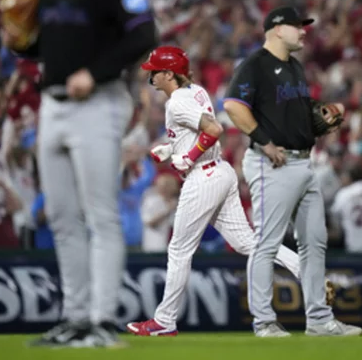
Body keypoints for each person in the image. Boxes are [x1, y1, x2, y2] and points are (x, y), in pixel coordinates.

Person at [1, 0, 158, 348]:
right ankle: (74, 318)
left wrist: (97, 71)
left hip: (99, 104)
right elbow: (40, 47)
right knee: (63, 218)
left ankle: (103, 321)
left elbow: (143, 34)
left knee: (101, 215)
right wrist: (18, 40)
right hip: (53, 105)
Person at [126, 46, 301, 337]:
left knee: (179, 250)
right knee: (247, 242)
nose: (151, 76)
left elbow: (215, 129)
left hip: (202, 177)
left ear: (169, 74)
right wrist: (172, 150)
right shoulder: (196, 91)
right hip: (220, 172)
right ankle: (303, 268)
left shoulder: (176, 103)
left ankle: (164, 321)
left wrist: (189, 156)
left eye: (155, 71)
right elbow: (197, 131)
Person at [223, 7, 362, 338]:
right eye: (297, 26)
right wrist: (265, 142)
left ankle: (319, 319)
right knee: (267, 244)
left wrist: (319, 118)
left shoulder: (296, 67)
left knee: (314, 242)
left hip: (303, 162)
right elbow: (233, 106)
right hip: (272, 162)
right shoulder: (255, 65)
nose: (303, 31)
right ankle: (264, 321)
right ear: (275, 30)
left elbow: (298, 111)